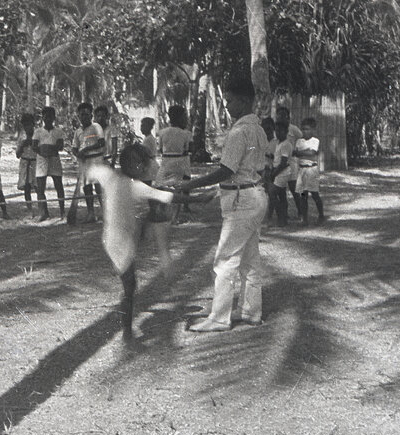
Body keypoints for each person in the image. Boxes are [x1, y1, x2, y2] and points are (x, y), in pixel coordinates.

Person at [88, 143, 213, 341]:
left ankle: (127, 328)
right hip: (119, 242)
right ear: (137, 166)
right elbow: (170, 197)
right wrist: (200, 199)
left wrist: (89, 164)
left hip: (117, 236)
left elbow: (93, 170)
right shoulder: (135, 186)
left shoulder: (111, 177)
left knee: (150, 216)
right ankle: (127, 332)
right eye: (145, 164)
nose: (147, 167)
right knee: (130, 286)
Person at [179, 76, 268, 332]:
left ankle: (219, 318)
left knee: (225, 260)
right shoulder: (258, 129)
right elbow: (250, 170)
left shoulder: (240, 131)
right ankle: (251, 311)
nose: (226, 106)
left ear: (244, 101)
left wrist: (191, 185)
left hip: (242, 200)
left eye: (230, 100)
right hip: (253, 195)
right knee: (249, 260)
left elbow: (227, 170)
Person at [156, 104, 194, 222]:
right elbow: (189, 149)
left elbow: (160, 149)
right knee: (178, 188)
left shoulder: (162, 132)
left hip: (166, 161)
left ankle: (162, 212)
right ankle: (175, 217)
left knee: (162, 186)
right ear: (180, 118)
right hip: (179, 161)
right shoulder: (186, 133)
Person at [70, 101, 104, 223]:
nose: (84, 117)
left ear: (91, 115)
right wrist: (78, 153)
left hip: (96, 160)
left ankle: (106, 212)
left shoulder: (96, 127)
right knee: (87, 187)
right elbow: (74, 147)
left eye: (86, 114)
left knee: (98, 186)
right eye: (81, 115)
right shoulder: (78, 131)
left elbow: (101, 142)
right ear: (79, 116)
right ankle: (91, 213)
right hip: (84, 162)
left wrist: (86, 150)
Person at [32, 106, 66, 221]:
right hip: (42, 160)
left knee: (59, 185)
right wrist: (43, 150)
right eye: (46, 117)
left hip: (54, 160)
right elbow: (34, 146)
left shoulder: (58, 131)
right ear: (43, 118)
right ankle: (43, 213)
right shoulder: (38, 131)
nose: (48, 119)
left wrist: (50, 149)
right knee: (40, 188)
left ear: (53, 118)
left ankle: (62, 212)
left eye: (50, 117)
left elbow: (60, 146)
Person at [294, 117, 325, 225]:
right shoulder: (299, 141)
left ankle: (321, 215)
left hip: (311, 169)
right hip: (302, 169)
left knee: (315, 193)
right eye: (303, 129)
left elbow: (312, 153)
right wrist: (305, 152)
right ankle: (305, 219)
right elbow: (296, 153)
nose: (305, 131)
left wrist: (301, 153)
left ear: (313, 130)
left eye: (307, 129)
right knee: (303, 195)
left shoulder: (315, 141)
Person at [275, 106, 304, 222]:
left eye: (284, 115)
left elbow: (302, 139)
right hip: (279, 162)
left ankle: (301, 213)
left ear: (288, 117)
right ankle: (284, 214)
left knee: (294, 189)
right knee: (281, 190)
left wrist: (297, 150)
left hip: (291, 163)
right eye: (279, 115)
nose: (281, 117)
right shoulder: (276, 129)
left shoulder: (293, 129)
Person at [270, 120, 294, 228]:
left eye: (281, 131)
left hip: (282, 172)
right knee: (282, 195)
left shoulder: (286, 144)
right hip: (279, 171)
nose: (278, 133)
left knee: (272, 193)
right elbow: (278, 158)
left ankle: (281, 217)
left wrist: (274, 174)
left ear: (286, 132)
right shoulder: (279, 143)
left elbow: (283, 163)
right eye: (277, 131)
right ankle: (284, 218)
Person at [14, 112, 38, 217]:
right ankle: (29, 209)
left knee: (37, 186)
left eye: (29, 124)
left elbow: (41, 151)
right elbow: (17, 155)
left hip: (35, 162)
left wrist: (33, 144)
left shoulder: (37, 135)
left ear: (33, 124)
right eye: (25, 125)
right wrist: (22, 145)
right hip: (24, 162)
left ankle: (42, 208)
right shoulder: (22, 136)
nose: (27, 127)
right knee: (26, 187)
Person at [260, 117, 277, 225]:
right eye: (264, 129)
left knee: (272, 194)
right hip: (260, 171)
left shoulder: (276, 142)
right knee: (260, 194)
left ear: (273, 129)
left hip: (272, 171)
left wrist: (270, 156)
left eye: (269, 129)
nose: (267, 132)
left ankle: (270, 216)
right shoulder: (260, 142)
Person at [140, 117, 159, 184]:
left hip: (148, 166)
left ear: (149, 127)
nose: (141, 128)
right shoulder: (148, 138)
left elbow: (145, 154)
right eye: (141, 126)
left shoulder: (148, 139)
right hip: (149, 165)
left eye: (143, 126)